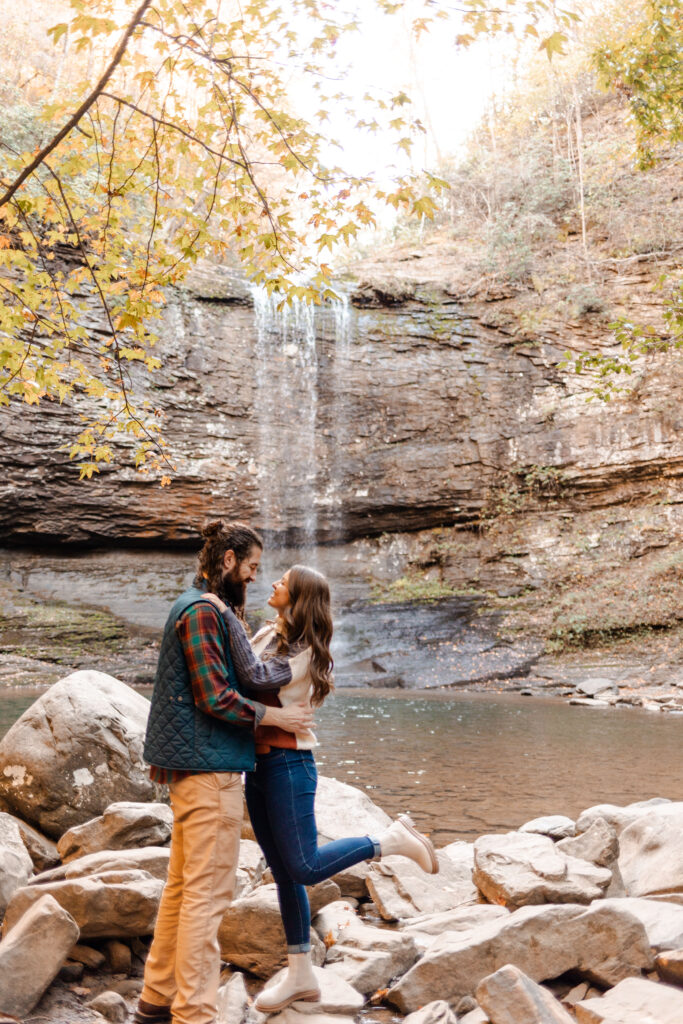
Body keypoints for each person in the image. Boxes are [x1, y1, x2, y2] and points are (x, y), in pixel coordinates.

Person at [209, 565, 439, 1015]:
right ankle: (301, 975)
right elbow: (240, 678)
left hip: (289, 766)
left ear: (299, 599)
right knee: (285, 872)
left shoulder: (307, 653)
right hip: (257, 766)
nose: (273, 583)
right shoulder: (266, 634)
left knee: (306, 865)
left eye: (284, 582)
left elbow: (254, 679)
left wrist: (222, 614)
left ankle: (389, 841)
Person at [135, 521, 314, 1024]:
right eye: (253, 567)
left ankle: (155, 1001)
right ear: (230, 561)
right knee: (206, 901)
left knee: (181, 890)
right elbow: (214, 696)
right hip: (209, 770)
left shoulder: (203, 608)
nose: (256, 578)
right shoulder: (200, 611)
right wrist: (274, 717)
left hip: (196, 769)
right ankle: (195, 1013)